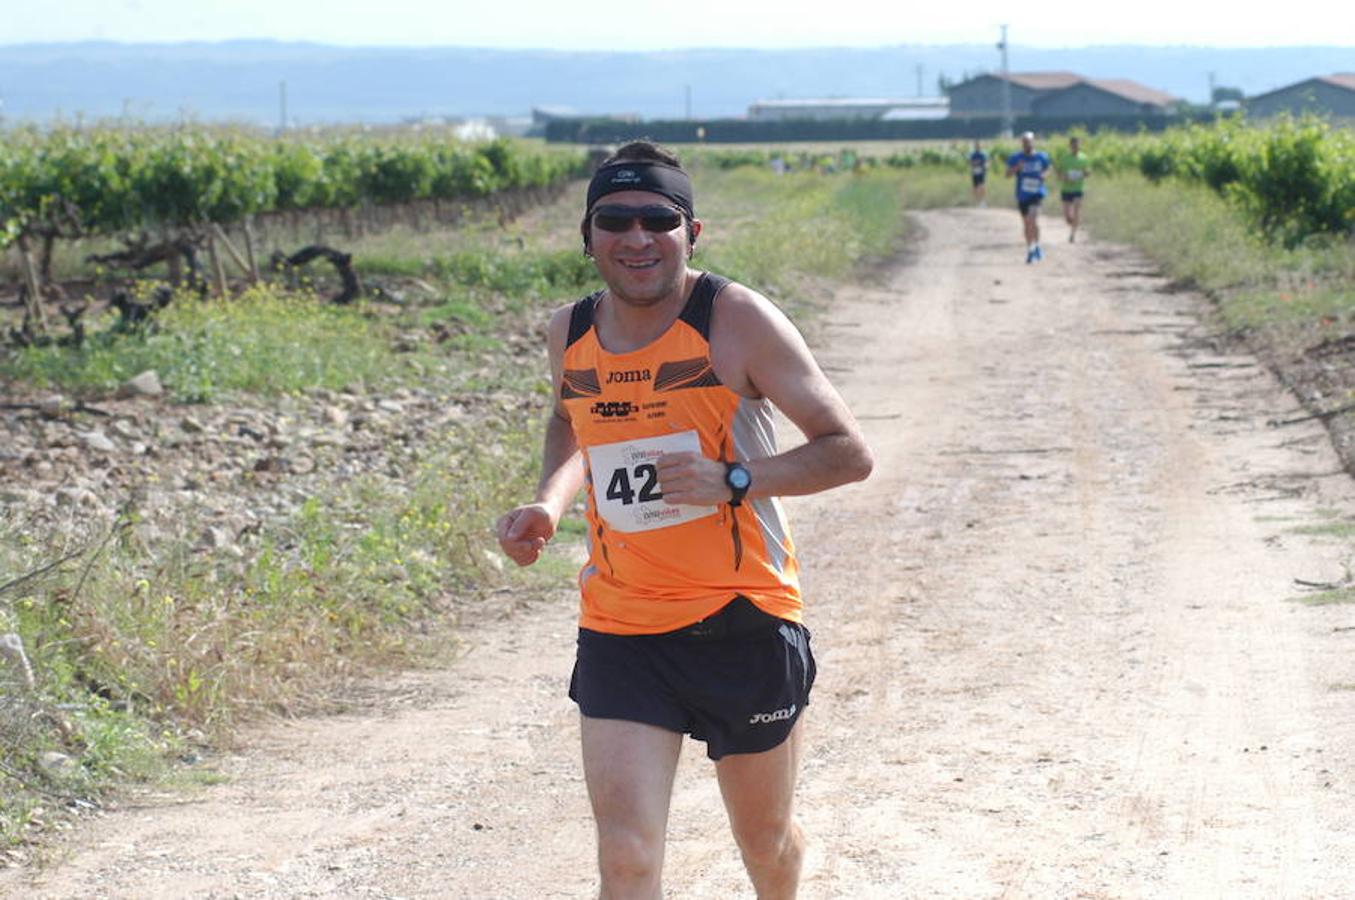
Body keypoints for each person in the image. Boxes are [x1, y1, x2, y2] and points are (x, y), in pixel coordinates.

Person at [496, 139, 873, 899]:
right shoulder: (566, 331)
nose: (635, 238)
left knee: (763, 844)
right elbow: (573, 423)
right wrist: (549, 500)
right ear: (588, 235)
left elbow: (847, 453)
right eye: (614, 220)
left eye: (656, 219)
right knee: (627, 858)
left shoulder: (734, 319)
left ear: (690, 233)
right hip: (622, 626)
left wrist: (732, 479)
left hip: (744, 620)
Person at [1006, 130, 1052, 263]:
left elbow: (1049, 168)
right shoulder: (1015, 158)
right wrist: (1016, 168)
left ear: (1033, 142)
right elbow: (1007, 175)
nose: (1027, 144)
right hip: (1022, 195)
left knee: (1033, 220)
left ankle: (1034, 248)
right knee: (1026, 224)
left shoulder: (1042, 157)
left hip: (1037, 193)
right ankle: (1031, 247)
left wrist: (1045, 175)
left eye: (1029, 142)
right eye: (1025, 142)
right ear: (1022, 143)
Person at [1055, 135, 1090, 243]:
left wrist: (1085, 174)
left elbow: (1087, 172)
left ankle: (1073, 234)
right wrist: (1063, 177)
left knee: (1077, 211)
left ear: (1080, 146)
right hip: (1066, 189)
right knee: (1067, 216)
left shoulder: (1084, 158)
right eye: (1074, 145)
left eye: (1078, 145)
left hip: (1078, 189)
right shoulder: (1064, 158)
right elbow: (1058, 173)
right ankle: (1074, 224)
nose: (1076, 147)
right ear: (1070, 146)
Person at [968, 140, 989, 207]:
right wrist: (976, 163)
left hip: (981, 172)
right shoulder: (972, 154)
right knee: (975, 188)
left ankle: (983, 201)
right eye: (976, 146)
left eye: (978, 146)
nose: (977, 147)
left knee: (982, 186)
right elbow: (970, 162)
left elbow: (986, 162)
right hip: (974, 172)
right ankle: (976, 201)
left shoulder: (983, 154)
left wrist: (985, 166)